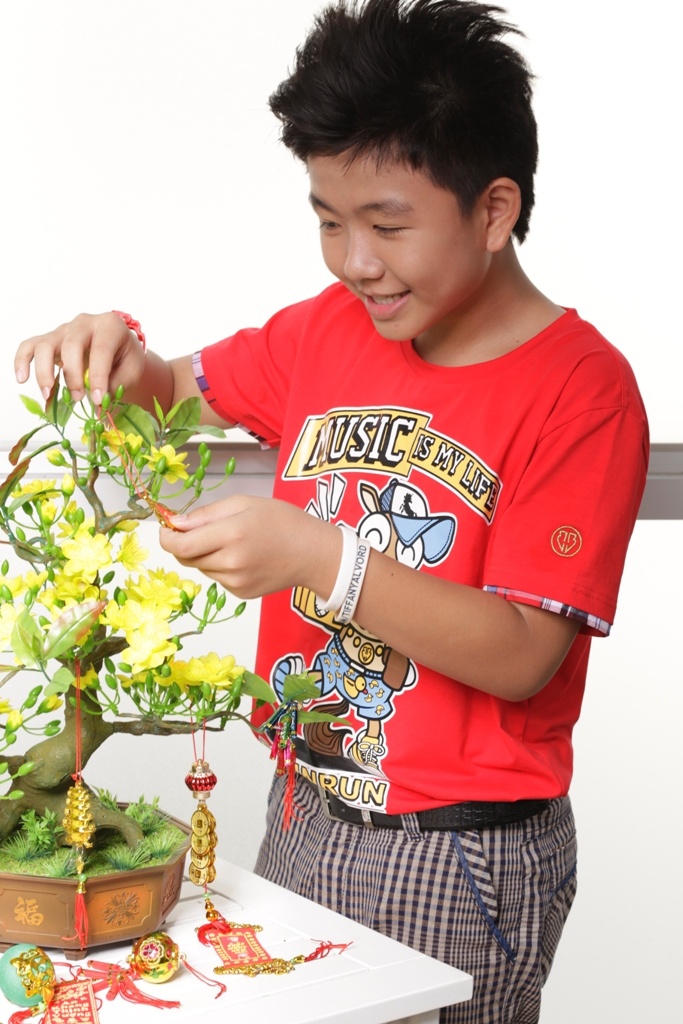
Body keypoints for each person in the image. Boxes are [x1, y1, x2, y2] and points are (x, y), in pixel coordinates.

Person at [14, 1, 648, 1020]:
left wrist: (323, 559)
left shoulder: (580, 390)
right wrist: (112, 347)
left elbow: (524, 653)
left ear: (492, 209)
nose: (354, 260)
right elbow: (167, 395)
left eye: (386, 225)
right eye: (326, 219)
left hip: (457, 851)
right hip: (303, 807)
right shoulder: (326, 331)